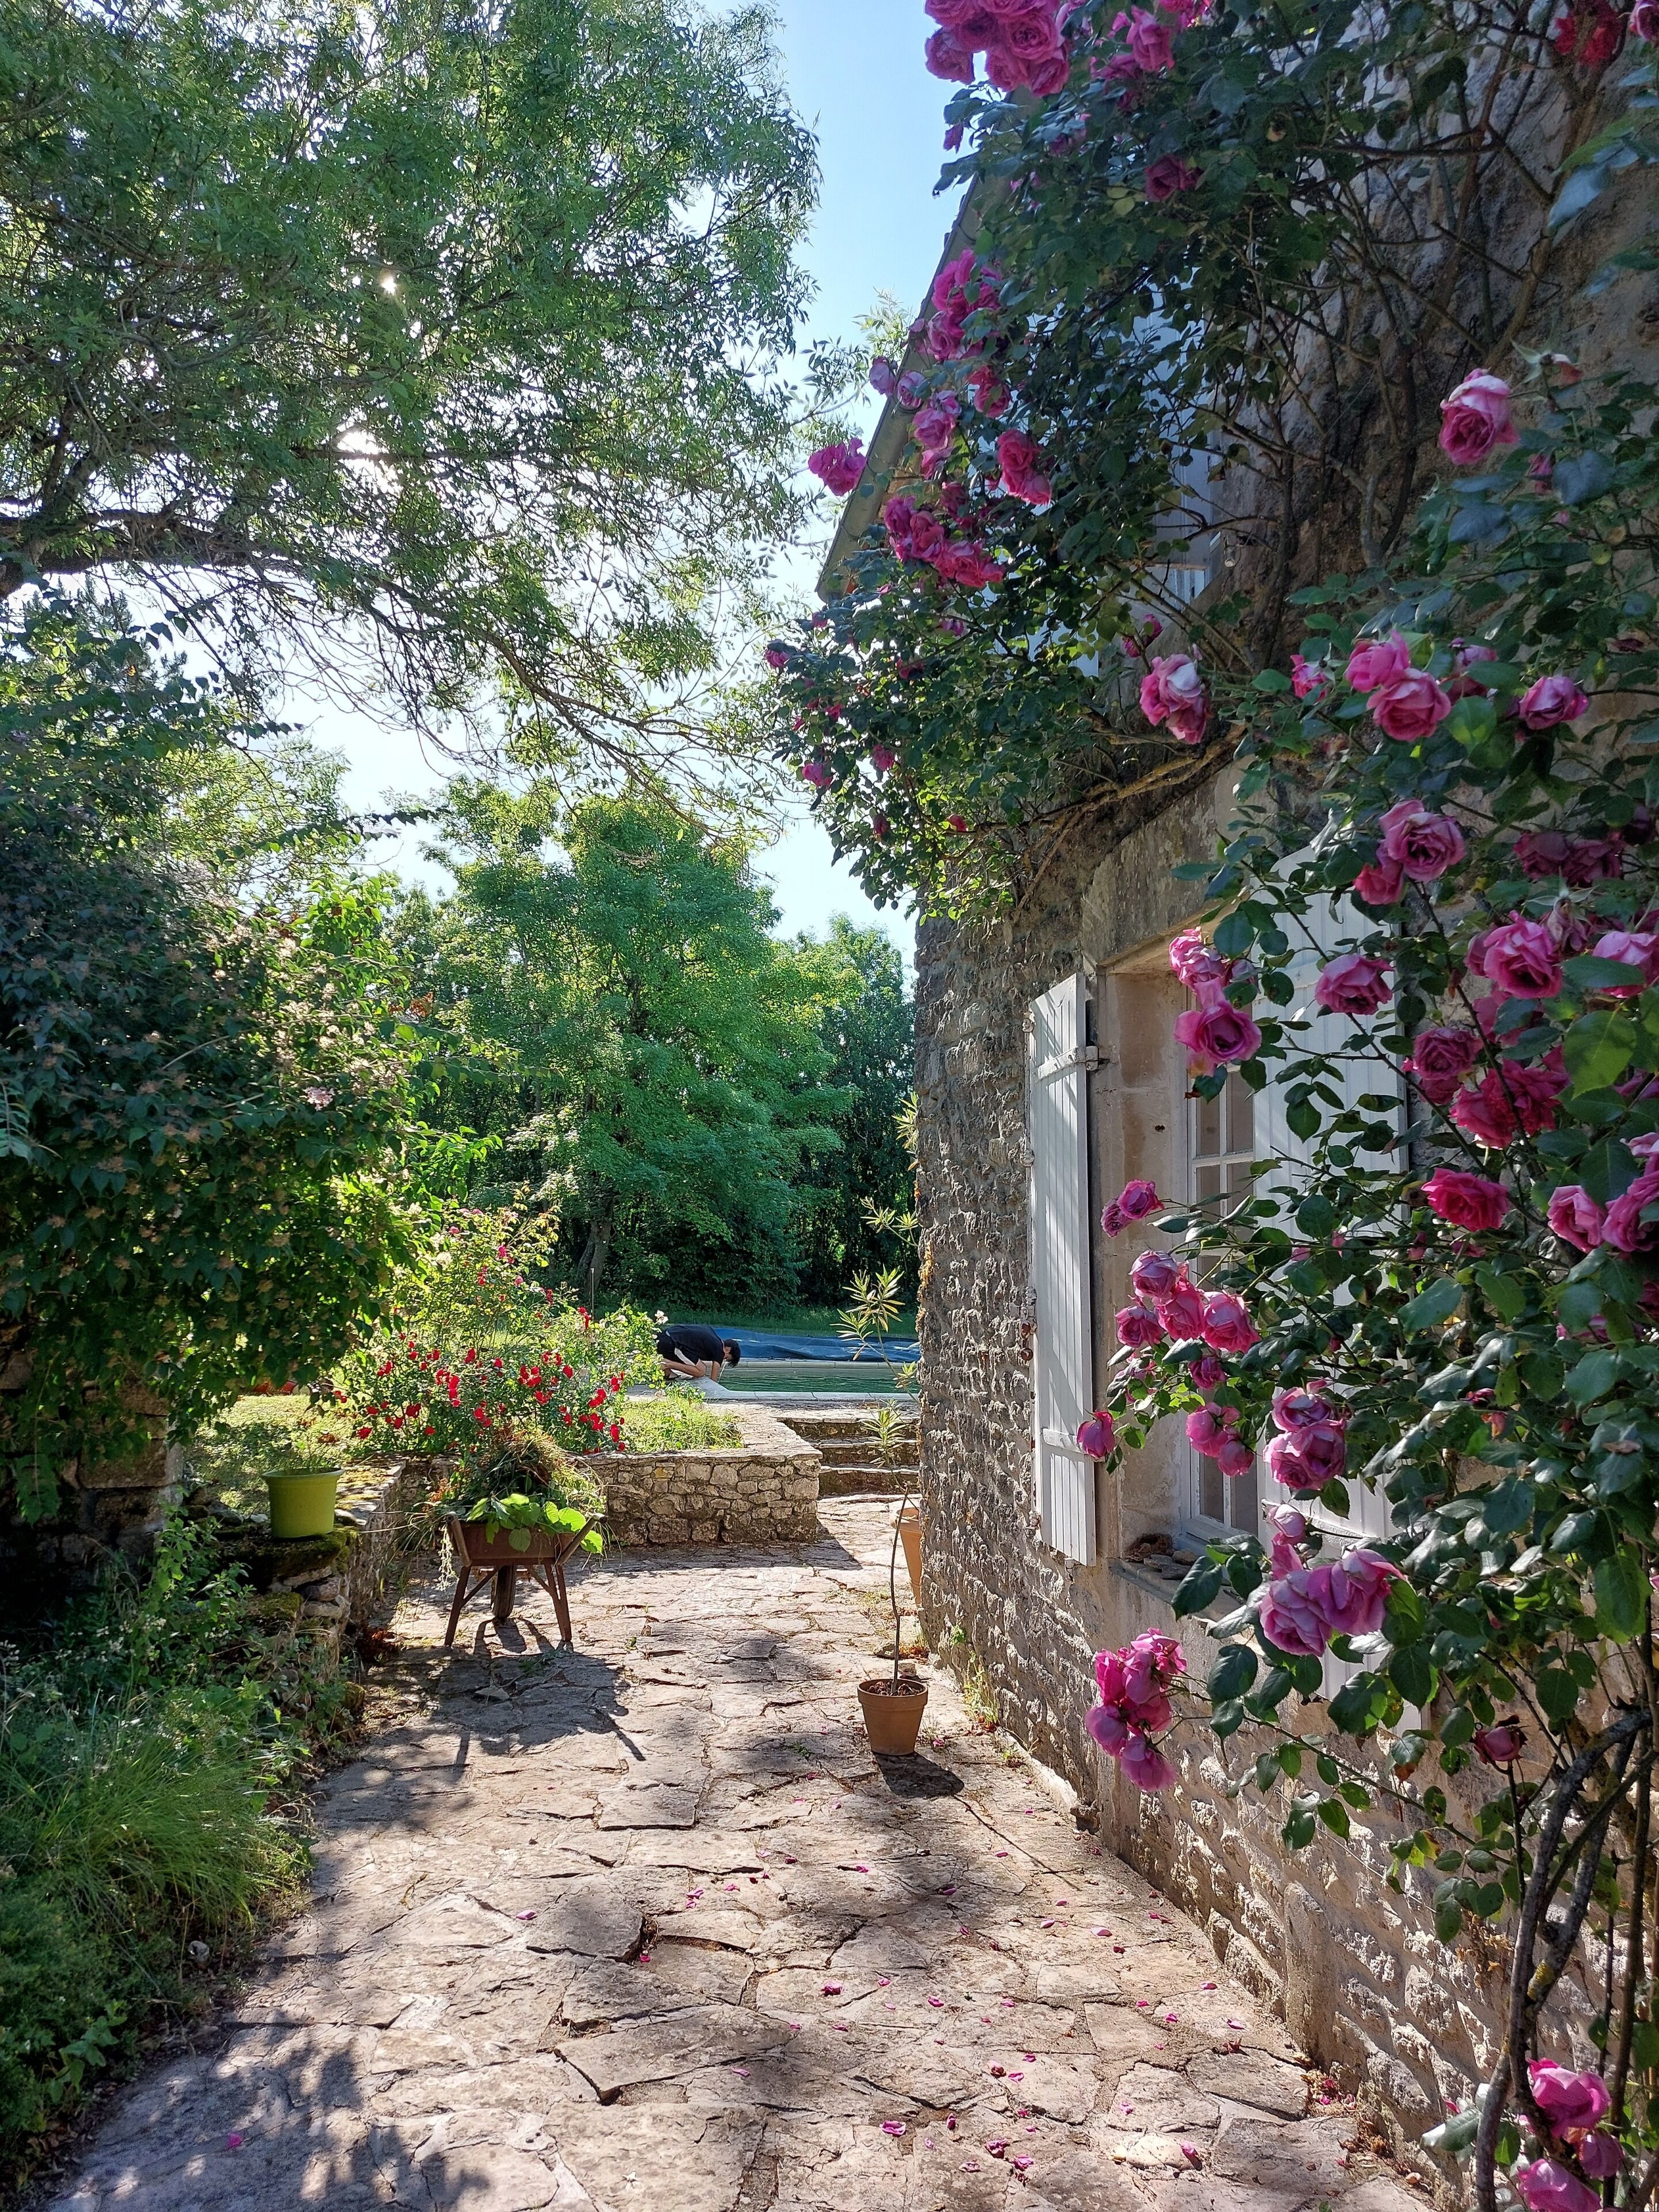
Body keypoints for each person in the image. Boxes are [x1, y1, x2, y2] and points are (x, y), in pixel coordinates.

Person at [654, 1321, 741, 1382]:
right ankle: (666, 1364)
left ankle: (667, 1372)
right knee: (701, 1371)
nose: (723, 1360)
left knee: (695, 1367)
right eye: (727, 1358)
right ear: (728, 1350)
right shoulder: (719, 1349)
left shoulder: (712, 1336)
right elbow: (714, 1379)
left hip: (664, 1336)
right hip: (671, 1343)